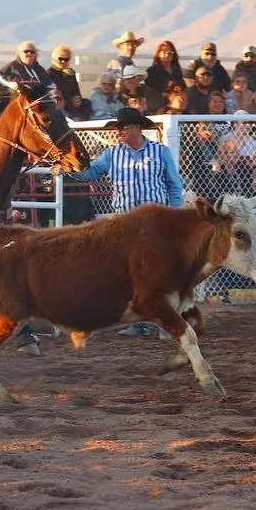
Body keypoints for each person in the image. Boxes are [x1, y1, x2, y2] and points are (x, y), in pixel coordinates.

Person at [69, 107, 185, 338]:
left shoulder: (160, 152)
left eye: (124, 127)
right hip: (126, 223)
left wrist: (174, 215)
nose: (120, 132)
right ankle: (143, 320)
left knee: (157, 272)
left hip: (155, 221)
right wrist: (68, 168)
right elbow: (88, 174)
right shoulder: (112, 154)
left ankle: (165, 320)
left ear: (137, 128)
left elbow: (174, 185)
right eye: (119, 128)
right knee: (132, 273)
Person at [47, 46, 90, 119]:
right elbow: (52, 97)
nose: (63, 61)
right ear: (54, 59)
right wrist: (70, 100)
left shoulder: (71, 73)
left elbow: (76, 91)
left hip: (73, 104)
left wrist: (77, 99)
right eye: (61, 59)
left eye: (66, 59)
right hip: (60, 105)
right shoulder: (49, 73)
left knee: (87, 102)